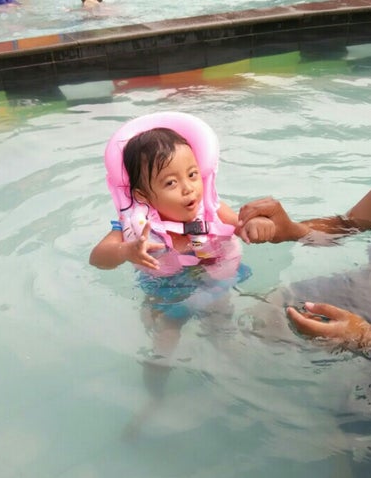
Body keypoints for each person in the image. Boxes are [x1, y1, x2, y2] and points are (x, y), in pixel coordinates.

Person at [90, 113, 272, 429]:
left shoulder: (211, 210)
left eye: (192, 174)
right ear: (143, 195)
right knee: (163, 342)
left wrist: (256, 226)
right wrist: (126, 251)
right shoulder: (135, 227)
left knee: (221, 330)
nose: (188, 189)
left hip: (212, 280)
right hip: (167, 291)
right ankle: (155, 398)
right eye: (171, 183)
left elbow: (241, 227)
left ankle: (248, 385)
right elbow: (97, 258)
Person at [236, 104, 371, 360]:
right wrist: (291, 229)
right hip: (367, 291)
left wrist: (367, 338)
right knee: (261, 317)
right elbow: (348, 224)